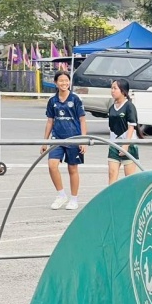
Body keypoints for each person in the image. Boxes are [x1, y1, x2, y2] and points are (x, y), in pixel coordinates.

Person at [40, 70, 87, 210]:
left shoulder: (75, 99)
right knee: (52, 165)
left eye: (66, 80)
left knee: (72, 168)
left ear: (69, 82)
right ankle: (61, 195)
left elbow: (82, 120)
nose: (64, 83)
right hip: (57, 138)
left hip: (74, 138)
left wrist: (83, 140)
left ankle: (74, 199)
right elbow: (50, 121)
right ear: (55, 83)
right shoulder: (52, 101)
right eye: (61, 80)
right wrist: (45, 141)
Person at [107, 79, 143, 184]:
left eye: (115, 88)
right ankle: (112, 195)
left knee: (129, 179)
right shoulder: (111, 107)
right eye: (111, 88)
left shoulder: (129, 106)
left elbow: (131, 126)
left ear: (123, 91)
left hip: (128, 145)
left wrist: (126, 145)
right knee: (112, 174)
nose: (112, 91)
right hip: (114, 145)